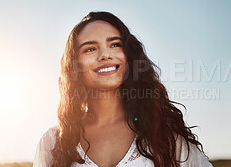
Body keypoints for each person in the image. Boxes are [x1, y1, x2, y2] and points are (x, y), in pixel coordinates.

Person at [33, 11, 213, 167]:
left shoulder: (163, 133)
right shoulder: (53, 142)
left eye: (115, 45)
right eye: (90, 49)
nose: (105, 55)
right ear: (75, 65)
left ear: (128, 56)